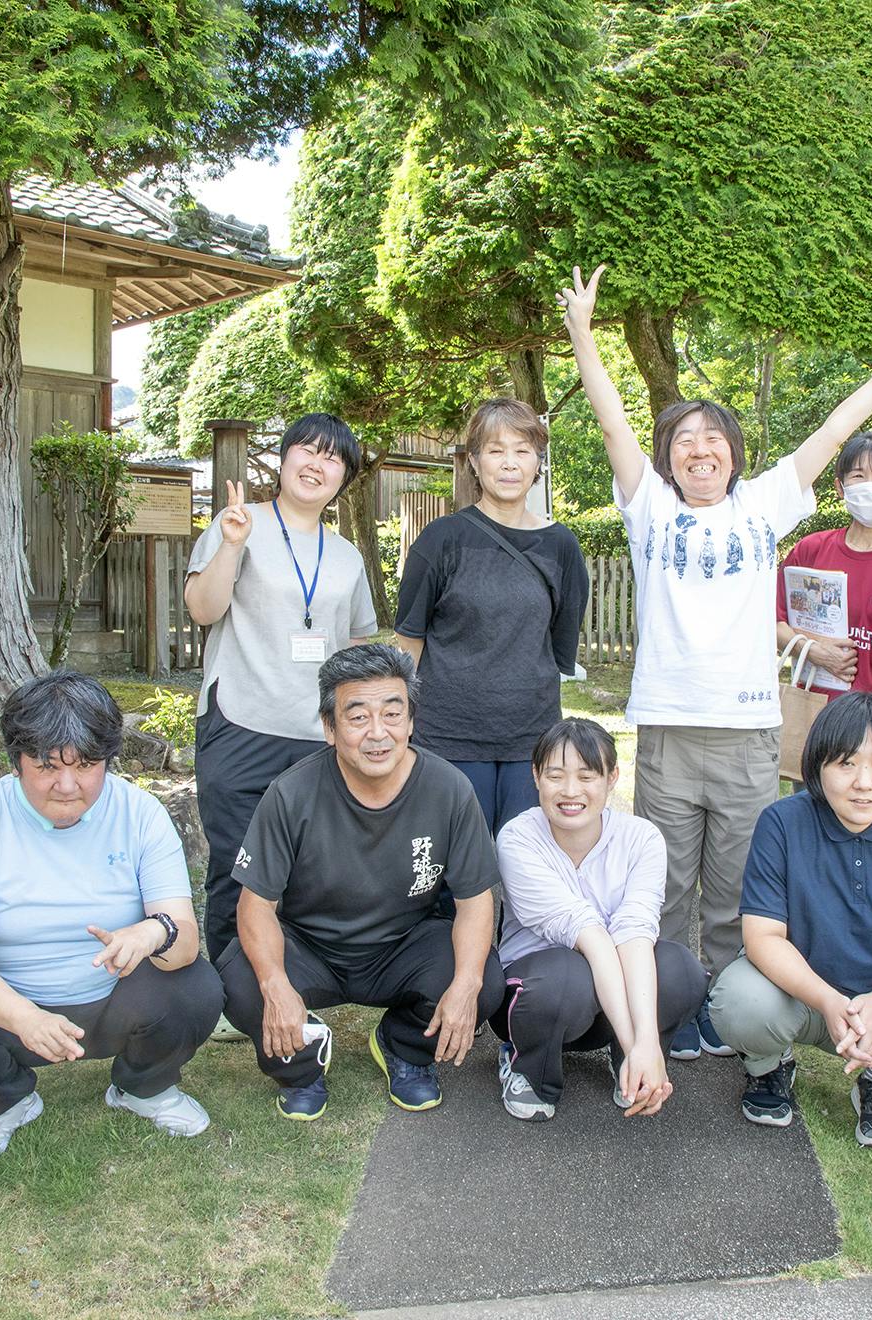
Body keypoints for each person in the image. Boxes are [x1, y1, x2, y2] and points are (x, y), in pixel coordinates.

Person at [558, 263, 872, 1061]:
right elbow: (612, 426)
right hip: (667, 729)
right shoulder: (649, 508)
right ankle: (666, 1003)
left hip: (747, 733)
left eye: (713, 440)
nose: (699, 451)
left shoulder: (763, 505)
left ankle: (725, 1008)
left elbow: (834, 432)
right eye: (683, 442)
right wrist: (583, 335)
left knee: (735, 890)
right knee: (664, 884)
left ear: (733, 454)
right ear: (669, 459)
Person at [0, 672, 223, 1165]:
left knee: (195, 987)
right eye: (46, 766)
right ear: (17, 762)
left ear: (108, 760)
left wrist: (151, 932)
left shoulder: (141, 812)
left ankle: (144, 1088)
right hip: (9, 1005)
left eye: (86, 765)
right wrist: (25, 1018)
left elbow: (183, 939)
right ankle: (2, 1102)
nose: (67, 786)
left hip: (115, 996)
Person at [216, 643, 505, 1120]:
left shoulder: (449, 789)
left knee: (483, 979)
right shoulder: (290, 793)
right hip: (310, 947)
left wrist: (467, 983)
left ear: (410, 722)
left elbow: (475, 901)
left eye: (392, 714)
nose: (377, 732)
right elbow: (255, 905)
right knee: (241, 979)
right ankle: (301, 1062)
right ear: (329, 728)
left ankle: (402, 1045)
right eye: (357, 717)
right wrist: (275, 984)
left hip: (402, 946)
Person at [708, 693, 872, 1148]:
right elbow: (763, 936)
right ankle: (769, 1066)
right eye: (846, 763)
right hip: (801, 998)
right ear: (818, 764)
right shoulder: (781, 823)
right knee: (739, 999)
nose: (864, 783)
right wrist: (828, 1000)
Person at [183, 413, 376, 998]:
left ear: (344, 477)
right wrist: (231, 546)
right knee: (236, 866)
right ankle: (230, 993)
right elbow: (202, 609)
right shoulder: (238, 523)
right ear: (285, 457)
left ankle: (290, 982)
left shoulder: (346, 556)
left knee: (305, 869)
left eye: (332, 458)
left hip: (317, 734)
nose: (317, 465)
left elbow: (357, 643)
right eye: (307, 450)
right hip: (241, 721)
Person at [490, 718, 705, 1121]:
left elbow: (634, 934)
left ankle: (632, 1065)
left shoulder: (642, 839)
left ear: (612, 778)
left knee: (680, 970)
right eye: (556, 776)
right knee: (566, 974)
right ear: (536, 777)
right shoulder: (518, 839)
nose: (571, 791)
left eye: (587, 776)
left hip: (610, 999)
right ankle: (528, 1069)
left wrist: (644, 1043)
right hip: (538, 999)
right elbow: (589, 935)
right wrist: (639, 1041)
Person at [395, 398, 591, 833]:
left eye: (522, 450)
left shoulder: (561, 546)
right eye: (495, 450)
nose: (509, 463)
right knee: (455, 861)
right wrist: (401, 720)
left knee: (526, 860)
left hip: (531, 738)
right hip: (448, 736)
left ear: (538, 462)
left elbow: (559, 645)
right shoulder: (441, 539)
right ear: (474, 460)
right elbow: (409, 642)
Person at [775, 432, 872, 697]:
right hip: (816, 707)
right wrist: (812, 651)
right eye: (858, 476)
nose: (870, 486)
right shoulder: (811, 550)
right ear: (840, 487)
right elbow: (773, 621)